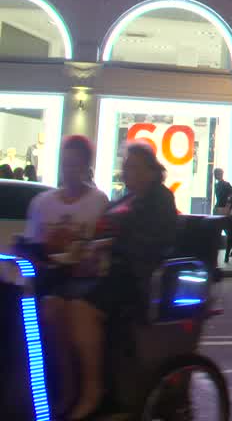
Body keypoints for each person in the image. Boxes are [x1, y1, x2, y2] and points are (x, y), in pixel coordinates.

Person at [64, 142, 178, 420]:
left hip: (136, 279)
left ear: (151, 171)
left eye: (133, 167)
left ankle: (95, 391)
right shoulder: (127, 198)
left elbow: (152, 242)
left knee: (80, 308)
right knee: (56, 304)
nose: (126, 171)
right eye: (125, 166)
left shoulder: (159, 199)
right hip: (111, 272)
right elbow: (103, 229)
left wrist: (109, 245)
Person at [23, 136, 109, 416]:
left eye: (76, 164)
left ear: (86, 166)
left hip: (82, 280)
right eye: (66, 164)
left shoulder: (98, 201)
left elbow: (102, 247)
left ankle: (77, 388)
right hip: (48, 277)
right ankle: (61, 385)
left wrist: (86, 255)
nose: (70, 170)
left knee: (60, 311)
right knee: (43, 312)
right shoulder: (42, 203)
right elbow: (31, 244)